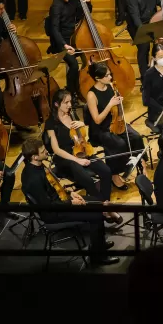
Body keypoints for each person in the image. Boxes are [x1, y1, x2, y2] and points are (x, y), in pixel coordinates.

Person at [20, 136, 116, 266]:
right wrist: (71, 202)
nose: (46, 152)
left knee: (96, 201)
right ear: (34, 157)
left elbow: (54, 188)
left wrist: (71, 193)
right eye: (42, 152)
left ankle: (99, 244)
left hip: (60, 201)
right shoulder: (33, 179)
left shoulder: (38, 165)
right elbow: (48, 205)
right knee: (96, 215)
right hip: (53, 213)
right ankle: (98, 257)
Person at [44, 89, 121, 223]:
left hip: (82, 151)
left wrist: (83, 124)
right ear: (57, 104)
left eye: (70, 102)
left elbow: (81, 136)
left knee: (106, 171)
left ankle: (103, 205)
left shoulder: (73, 114)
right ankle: (105, 208)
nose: (70, 105)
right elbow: (56, 149)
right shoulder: (51, 123)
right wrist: (77, 160)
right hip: (66, 158)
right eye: (66, 102)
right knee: (88, 180)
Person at [84, 62, 143, 188]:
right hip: (100, 129)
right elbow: (97, 120)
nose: (110, 77)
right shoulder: (91, 95)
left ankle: (134, 164)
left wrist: (118, 103)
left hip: (116, 122)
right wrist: (110, 105)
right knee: (118, 144)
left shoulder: (111, 86)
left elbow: (116, 108)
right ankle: (114, 175)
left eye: (110, 74)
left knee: (136, 137)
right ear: (97, 78)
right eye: (106, 76)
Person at [44, 0, 89, 95]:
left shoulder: (73, 0)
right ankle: (70, 91)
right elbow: (54, 29)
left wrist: (88, 3)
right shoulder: (56, 6)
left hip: (74, 37)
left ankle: (81, 86)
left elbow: (84, 14)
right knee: (73, 65)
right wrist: (64, 45)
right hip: (61, 42)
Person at [123, 0, 159, 74]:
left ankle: (155, 70)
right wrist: (145, 32)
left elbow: (161, 4)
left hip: (151, 22)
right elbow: (136, 18)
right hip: (137, 26)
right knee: (144, 47)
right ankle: (145, 78)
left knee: (159, 44)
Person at [141, 44, 163, 127]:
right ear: (154, 58)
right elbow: (146, 100)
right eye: (160, 57)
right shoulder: (149, 74)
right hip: (157, 111)